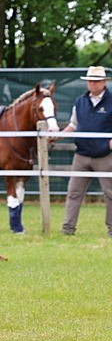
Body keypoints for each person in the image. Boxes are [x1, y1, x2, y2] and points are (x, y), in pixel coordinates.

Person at [59, 65, 112, 237]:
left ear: (104, 82)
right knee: (74, 193)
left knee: (110, 194)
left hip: (105, 156)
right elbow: (73, 125)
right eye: (90, 81)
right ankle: (68, 229)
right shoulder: (80, 101)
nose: (93, 84)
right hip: (81, 155)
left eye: (96, 81)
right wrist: (56, 136)